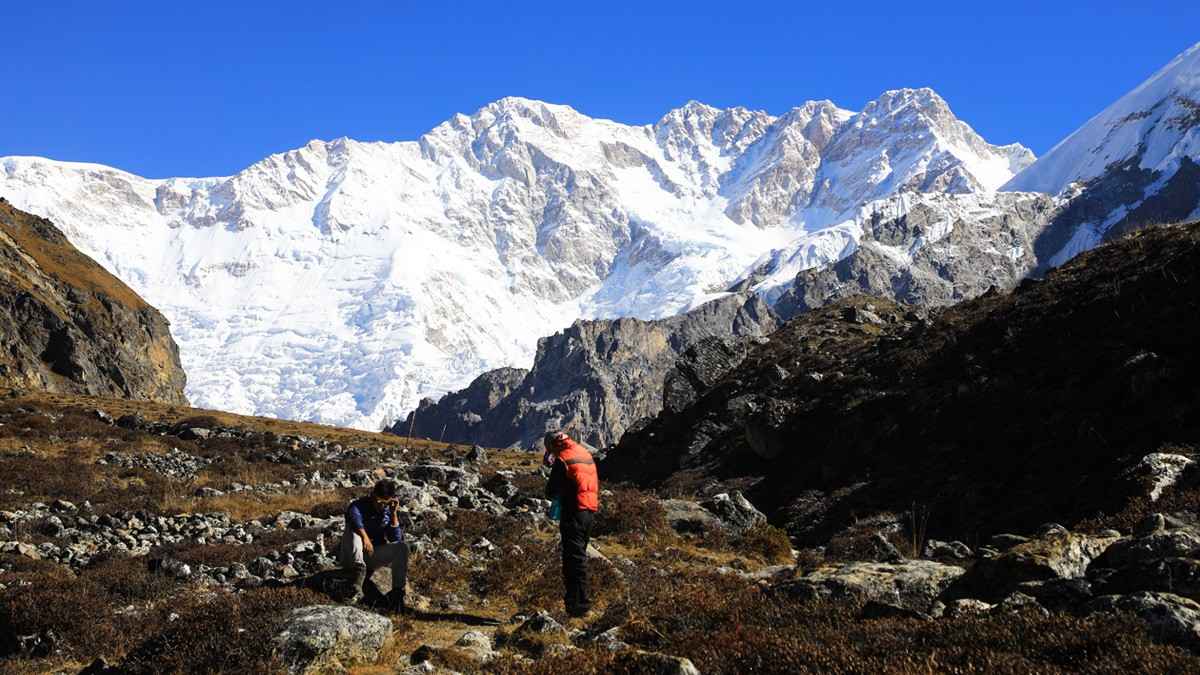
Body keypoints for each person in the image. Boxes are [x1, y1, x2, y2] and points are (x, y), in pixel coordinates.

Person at [543, 430, 600, 617]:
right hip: (589, 511)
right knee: (580, 556)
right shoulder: (584, 453)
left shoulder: (562, 460)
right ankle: (579, 602)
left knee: (573, 560)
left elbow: (550, 491)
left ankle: (578, 606)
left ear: (552, 446)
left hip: (573, 511)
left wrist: (551, 467)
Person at [340, 479, 409, 613]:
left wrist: (394, 513)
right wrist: (365, 537)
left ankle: (397, 593)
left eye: (385, 503)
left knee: (402, 547)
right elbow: (354, 519)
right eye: (379, 502)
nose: (382, 506)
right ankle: (356, 579)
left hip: (372, 555)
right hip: (352, 555)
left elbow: (395, 539)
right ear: (373, 495)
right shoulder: (358, 505)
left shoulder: (388, 512)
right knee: (353, 530)